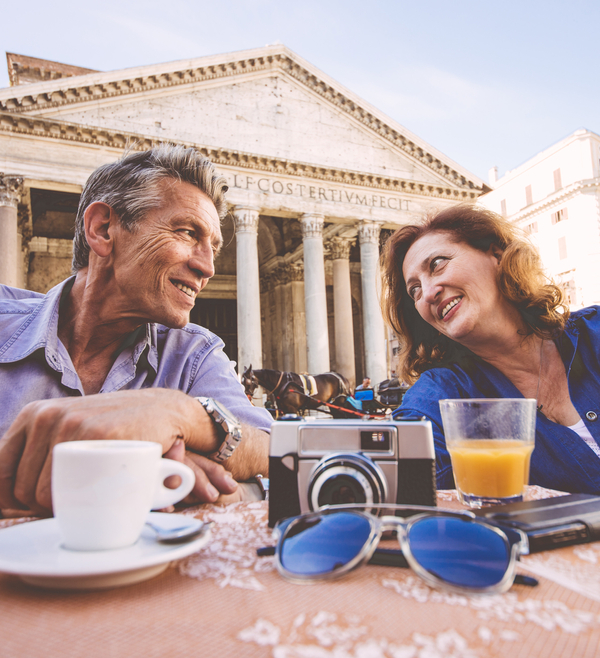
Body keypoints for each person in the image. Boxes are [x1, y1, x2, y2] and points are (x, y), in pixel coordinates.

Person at [0, 145, 273, 516]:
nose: (207, 267)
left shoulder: (194, 354)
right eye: (187, 232)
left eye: (214, 246)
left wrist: (182, 414)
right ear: (102, 229)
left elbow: (274, 451)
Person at [380, 203, 600, 494]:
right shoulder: (443, 392)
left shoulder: (593, 333)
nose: (429, 293)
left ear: (496, 255)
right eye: (415, 290)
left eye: (437, 264)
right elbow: (403, 476)